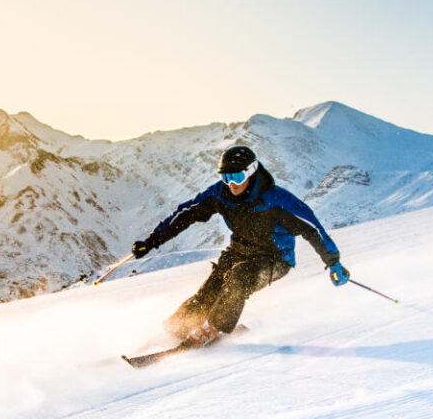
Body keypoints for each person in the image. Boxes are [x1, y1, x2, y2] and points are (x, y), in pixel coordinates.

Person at [129, 144, 350, 346]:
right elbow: (185, 214)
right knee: (209, 291)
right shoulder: (219, 194)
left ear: (252, 171)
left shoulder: (276, 200)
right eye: (226, 178)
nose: (232, 184)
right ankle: (175, 330)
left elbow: (313, 229)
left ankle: (212, 328)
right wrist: (151, 241)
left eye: (237, 176)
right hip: (238, 251)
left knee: (239, 277)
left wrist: (333, 262)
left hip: (275, 259)